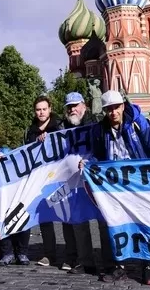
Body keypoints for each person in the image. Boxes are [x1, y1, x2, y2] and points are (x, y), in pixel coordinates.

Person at [83, 90, 150, 284]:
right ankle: (117, 266)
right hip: (114, 187)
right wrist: (88, 163)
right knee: (113, 224)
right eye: (108, 109)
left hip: (138, 183)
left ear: (122, 106)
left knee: (144, 223)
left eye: (116, 107)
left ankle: (148, 266)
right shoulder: (99, 130)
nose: (113, 112)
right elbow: (97, 156)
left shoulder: (137, 123)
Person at [23, 95, 63, 267]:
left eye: (44, 109)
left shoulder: (59, 126)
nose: (41, 112)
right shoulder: (30, 130)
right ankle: (49, 254)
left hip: (59, 177)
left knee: (67, 217)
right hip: (40, 179)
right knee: (44, 218)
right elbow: (24, 152)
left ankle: (73, 256)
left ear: (50, 109)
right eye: (38, 109)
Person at [62, 92, 98, 275]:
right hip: (74, 182)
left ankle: (112, 262)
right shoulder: (62, 128)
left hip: (96, 181)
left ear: (84, 105)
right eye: (69, 107)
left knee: (104, 221)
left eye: (75, 105)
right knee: (79, 223)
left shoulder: (96, 124)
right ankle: (85, 261)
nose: (72, 109)